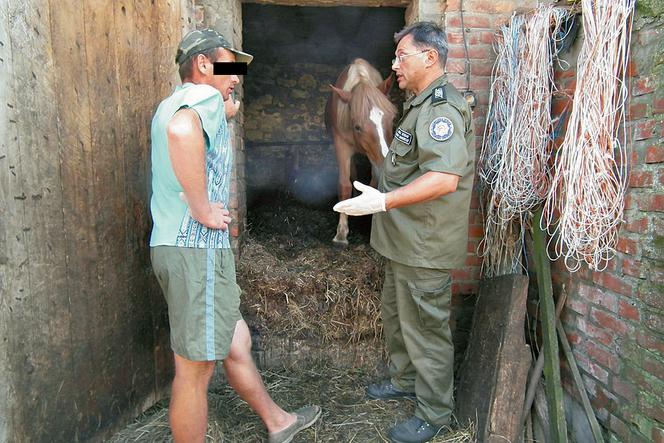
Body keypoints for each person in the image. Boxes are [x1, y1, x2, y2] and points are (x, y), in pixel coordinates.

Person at [149, 28, 321, 443]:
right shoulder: (200, 101)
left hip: (179, 248)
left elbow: (187, 124)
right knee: (194, 371)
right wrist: (203, 207)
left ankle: (279, 422)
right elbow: (182, 133)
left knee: (235, 339)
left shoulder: (174, 102)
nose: (236, 77)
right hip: (195, 249)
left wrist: (226, 109)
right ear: (204, 65)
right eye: (228, 67)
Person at [334, 22, 474, 443]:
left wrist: (383, 201)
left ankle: (434, 413)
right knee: (398, 318)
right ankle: (404, 380)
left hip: (424, 244)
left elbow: (444, 178)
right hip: (401, 240)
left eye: (401, 56)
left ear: (430, 58)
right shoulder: (415, 105)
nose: (393, 65)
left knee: (426, 330)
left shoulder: (441, 110)